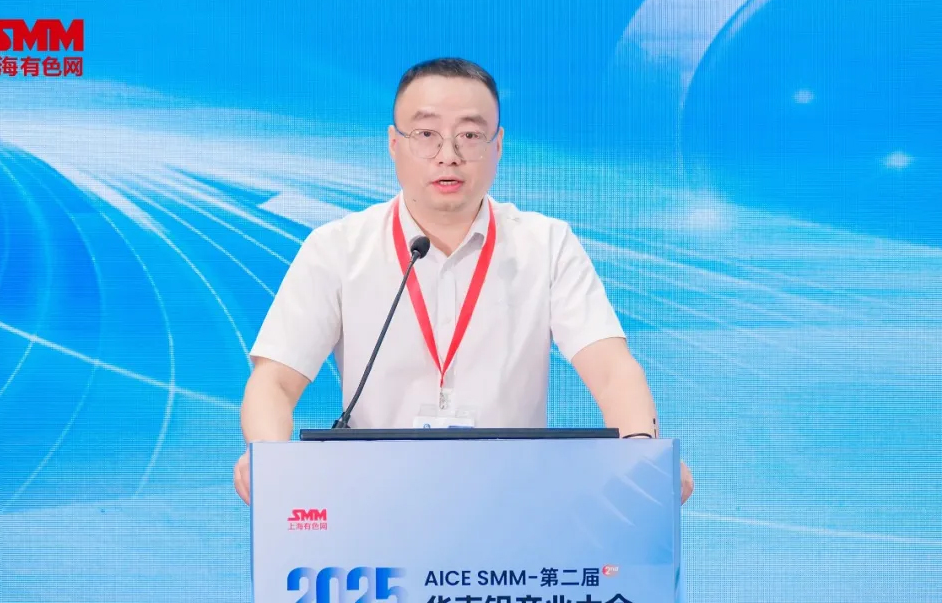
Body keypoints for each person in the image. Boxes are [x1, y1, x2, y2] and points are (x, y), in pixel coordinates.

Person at [234, 57, 693, 506]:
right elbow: (274, 381)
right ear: (394, 144)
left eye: (470, 135)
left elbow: (611, 369)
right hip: (373, 503)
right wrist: (266, 456)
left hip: (515, 504)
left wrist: (642, 449)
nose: (448, 156)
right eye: (426, 135)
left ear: (498, 145)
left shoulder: (546, 244)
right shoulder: (336, 247)